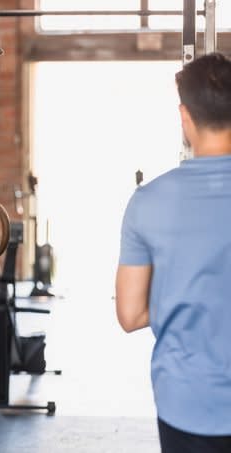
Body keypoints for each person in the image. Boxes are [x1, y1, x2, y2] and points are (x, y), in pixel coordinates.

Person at [116, 53, 231, 453]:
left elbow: (130, 315)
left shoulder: (148, 202)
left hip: (187, 402)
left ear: (185, 116)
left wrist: (181, 292)